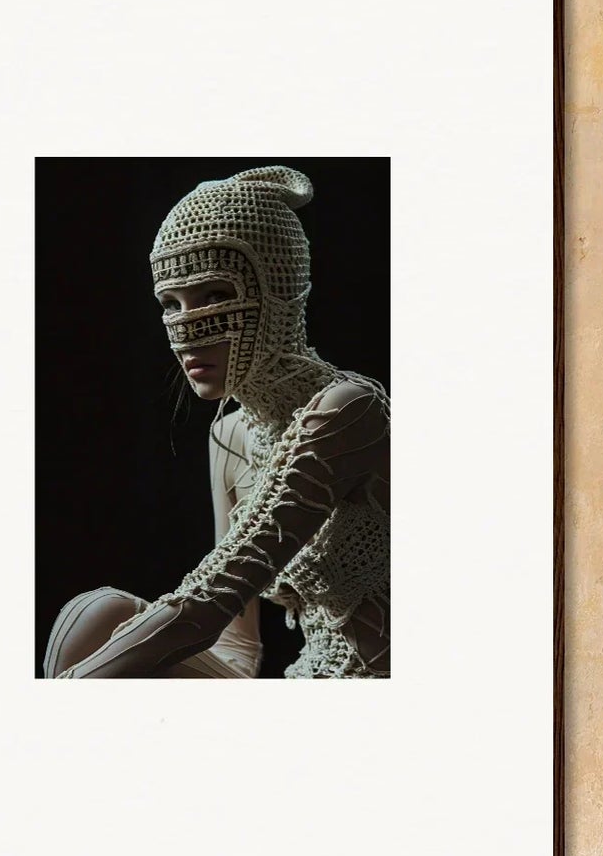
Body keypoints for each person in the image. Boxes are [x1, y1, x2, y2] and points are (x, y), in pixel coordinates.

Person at [42, 166, 389, 680]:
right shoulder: (229, 435)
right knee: (100, 613)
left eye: (214, 297)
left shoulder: (348, 408)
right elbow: (235, 643)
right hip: (301, 681)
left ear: (277, 292)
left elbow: (214, 597)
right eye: (170, 304)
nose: (186, 330)